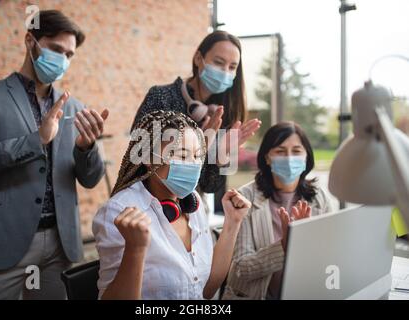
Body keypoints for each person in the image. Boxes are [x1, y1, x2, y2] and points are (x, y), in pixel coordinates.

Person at [0, 10, 108, 300]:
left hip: (58, 244)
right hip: (2, 240)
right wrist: (35, 140)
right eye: (56, 49)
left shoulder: (74, 107)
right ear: (30, 41)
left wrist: (87, 149)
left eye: (69, 54)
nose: (63, 60)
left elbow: (90, 180)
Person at [93, 110, 251, 299]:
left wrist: (232, 224)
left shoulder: (194, 203)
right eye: (183, 156)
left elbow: (206, 291)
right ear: (149, 159)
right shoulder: (118, 212)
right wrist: (135, 250)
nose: (193, 165)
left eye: (197, 156)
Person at [131, 30, 261, 193]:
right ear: (199, 59)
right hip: (146, 201)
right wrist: (198, 147)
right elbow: (136, 156)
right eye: (219, 62)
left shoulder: (226, 115)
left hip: (192, 210)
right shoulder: (160, 97)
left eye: (232, 67)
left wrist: (221, 157)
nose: (225, 71)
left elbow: (211, 188)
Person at [222, 122, 333, 300]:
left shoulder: (319, 197)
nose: (289, 158)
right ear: (267, 157)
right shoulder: (244, 198)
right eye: (280, 151)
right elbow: (241, 268)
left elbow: (329, 255)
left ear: (306, 157)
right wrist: (284, 246)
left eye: (296, 151)